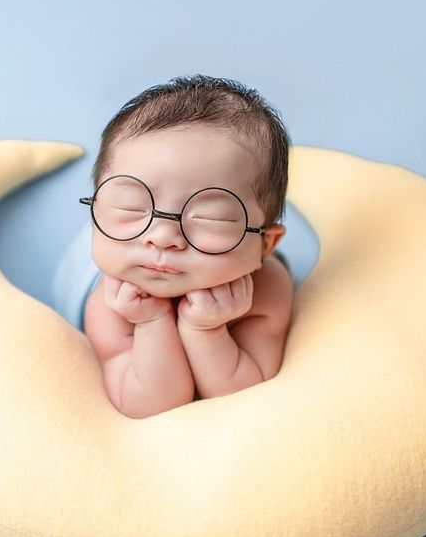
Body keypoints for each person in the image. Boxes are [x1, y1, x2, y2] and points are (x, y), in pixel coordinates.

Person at [77, 74, 294, 418]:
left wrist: (206, 332)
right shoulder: (110, 300)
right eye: (130, 206)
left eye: (210, 219)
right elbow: (147, 405)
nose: (162, 237)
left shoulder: (268, 289)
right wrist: (149, 323)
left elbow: (243, 397)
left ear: (266, 245)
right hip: (107, 253)